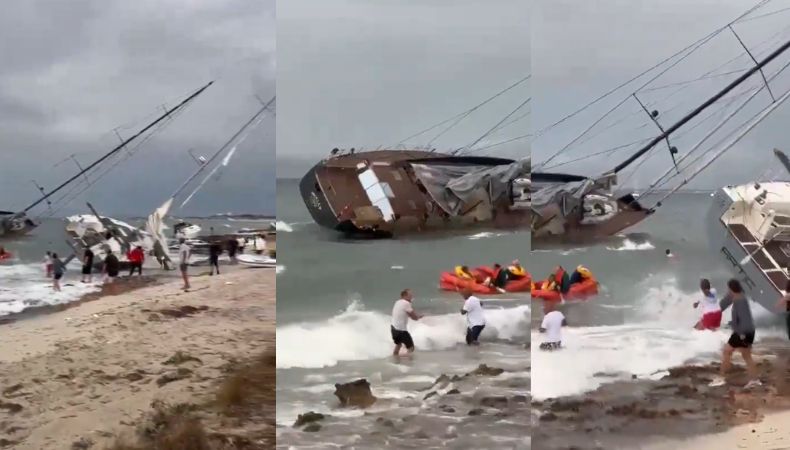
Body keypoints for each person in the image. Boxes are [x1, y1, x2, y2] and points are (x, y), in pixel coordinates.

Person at [709, 279, 760, 388]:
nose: (728, 291)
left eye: (728, 289)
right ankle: (754, 380)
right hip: (748, 331)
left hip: (743, 332)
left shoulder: (739, 301)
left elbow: (744, 319)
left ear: (731, 289)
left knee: (727, 351)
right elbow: (726, 306)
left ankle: (721, 378)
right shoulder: (740, 297)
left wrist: (741, 335)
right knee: (746, 356)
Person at [391, 289, 423, 355]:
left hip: (393, 328)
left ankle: (395, 359)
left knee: (398, 344)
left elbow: (403, 313)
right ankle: (407, 363)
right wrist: (419, 317)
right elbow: (414, 317)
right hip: (401, 330)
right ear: (405, 296)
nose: (412, 297)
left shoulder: (397, 302)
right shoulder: (406, 303)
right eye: (410, 295)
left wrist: (415, 316)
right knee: (411, 348)